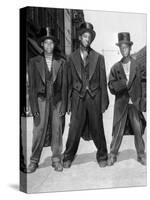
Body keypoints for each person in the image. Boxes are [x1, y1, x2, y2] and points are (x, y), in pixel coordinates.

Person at [63, 22, 109, 168]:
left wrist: (103, 103)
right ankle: (68, 156)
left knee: (98, 128)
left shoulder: (99, 57)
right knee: (74, 129)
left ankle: (102, 155)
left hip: (94, 97)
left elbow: (103, 81)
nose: (87, 39)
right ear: (80, 37)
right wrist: (68, 104)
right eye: (85, 36)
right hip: (78, 98)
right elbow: (68, 82)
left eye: (89, 37)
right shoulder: (71, 58)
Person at [27, 27, 67, 173]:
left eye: (51, 43)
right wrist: (34, 107)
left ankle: (56, 159)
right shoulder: (33, 62)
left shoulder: (61, 62)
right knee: (38, 131)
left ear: (54, 45)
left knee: (57, 130)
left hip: (57, 101)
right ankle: (34, 161)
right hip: (40, 101)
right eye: (46, 43)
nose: (49, 46)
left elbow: (64, 85)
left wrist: (64, 106)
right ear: (42, 45)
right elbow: (31, 87)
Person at [107, 32, 146, 166]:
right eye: (121, 48)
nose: (124, 50)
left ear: (130, 48)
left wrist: (141, 101)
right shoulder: (115, 67)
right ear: (119, 49)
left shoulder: (137, 65)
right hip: (121, 103)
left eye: (126, 47)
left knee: (138, 129)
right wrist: (123, 83)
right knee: (118, 130)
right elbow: (111, 86)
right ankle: (112, 154)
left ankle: (141, 155)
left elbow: (142, 83)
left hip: (134, 103)